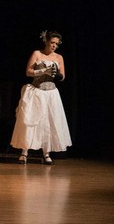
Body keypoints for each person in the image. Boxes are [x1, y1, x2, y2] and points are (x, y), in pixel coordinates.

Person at [10, 30, 72, 164]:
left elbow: (62, 76)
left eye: (56, 43)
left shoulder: (59, 57)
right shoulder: (37, 54)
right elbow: (28, 72)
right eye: (52, 42)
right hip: (37, 91)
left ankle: (46, 152)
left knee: (48, 122)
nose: (54, 46)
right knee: (31, 121)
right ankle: (24, 151)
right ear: (46, 41)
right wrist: (43, 70)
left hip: (51, 93)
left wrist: (57, 75)